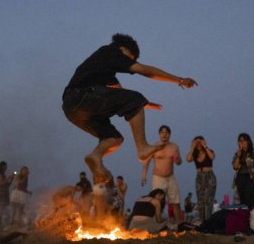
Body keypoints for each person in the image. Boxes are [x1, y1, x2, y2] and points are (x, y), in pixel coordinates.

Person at [62, 33, 197, 183]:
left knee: (114, 138)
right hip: (82, 95)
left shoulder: (102, 65)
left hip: (72, 109)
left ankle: (96, 156)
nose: (128, 62)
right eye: (130, 58)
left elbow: (117, 91)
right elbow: (144, 70)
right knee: (135, 98)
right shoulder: (113, 51)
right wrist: (179, 80)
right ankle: (142, 148)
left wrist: (143, 104)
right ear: (124, 49)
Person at [142, 125, 183, 224]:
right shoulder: (154, 147)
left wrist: (177, 159)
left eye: (166, 132)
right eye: (162, 132)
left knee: (176, 202)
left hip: (170, 177)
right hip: (158, 178)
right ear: (159, 134)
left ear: (169, 134)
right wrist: (144, 176)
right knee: (157, 202)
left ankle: (179, 224)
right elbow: (146, 163)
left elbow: (179, 162)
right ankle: (156, 223)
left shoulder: (174, 147)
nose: (164, 134)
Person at [186, 136, 217, 223]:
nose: (199, 144)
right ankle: (202, 221)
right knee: (200, 200)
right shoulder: (194, 154)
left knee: (208, 200)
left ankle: (208, 221)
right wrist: (192, 147)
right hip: (199, 177)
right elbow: (188, 159)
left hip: (209, 176)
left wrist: (205, 145)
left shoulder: (209, 151)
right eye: (197, 143)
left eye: (200, 142)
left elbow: (212, 157)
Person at [231, 133, 254, 210]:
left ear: (248, 141)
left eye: (243, 140)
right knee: (241, 201)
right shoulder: (237, 153)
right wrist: (238, 155)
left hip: (250, 178)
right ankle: (243, 218)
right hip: (240, 178)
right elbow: (235, 167)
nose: (241, 142)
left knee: (252, 201)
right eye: (240, 141)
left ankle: (253, 218)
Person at [0, 161, 14, 237]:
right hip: (0, 195)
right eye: (5, 166)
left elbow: (7, 185)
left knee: (0, 214)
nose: (6, 168)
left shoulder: (4, 175)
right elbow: (1, 183)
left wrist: (11, 179)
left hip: (4, 194)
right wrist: (9, 177)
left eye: (6, 166)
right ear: (2, 167)